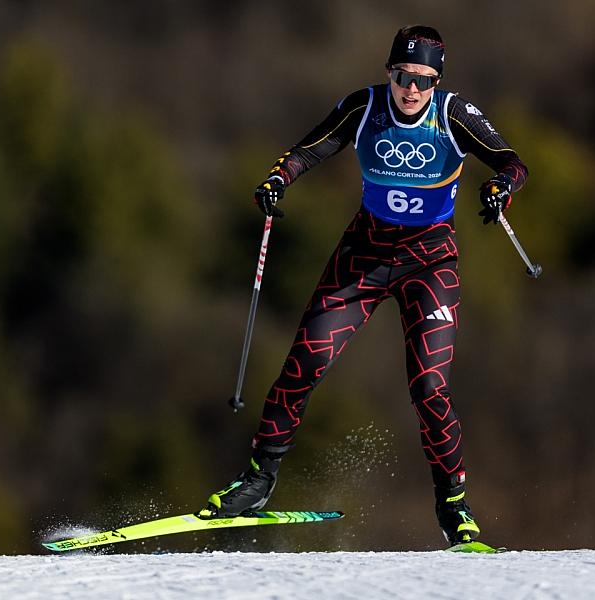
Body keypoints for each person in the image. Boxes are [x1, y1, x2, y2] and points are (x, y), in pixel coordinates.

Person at [202, 25, 528, 547]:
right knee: (303, 363)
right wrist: (276, 180)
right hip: (365, 253)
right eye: (403, 76)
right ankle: (257, 482)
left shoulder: (453, 115)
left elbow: (513, 163)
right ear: (389, 73)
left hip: (430, 262)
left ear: (436, 81)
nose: (411, 90)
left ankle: (454, 506)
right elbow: (310, 149)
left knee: (429, 387)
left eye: (423, 80)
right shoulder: (365, 107)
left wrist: (499, 189)